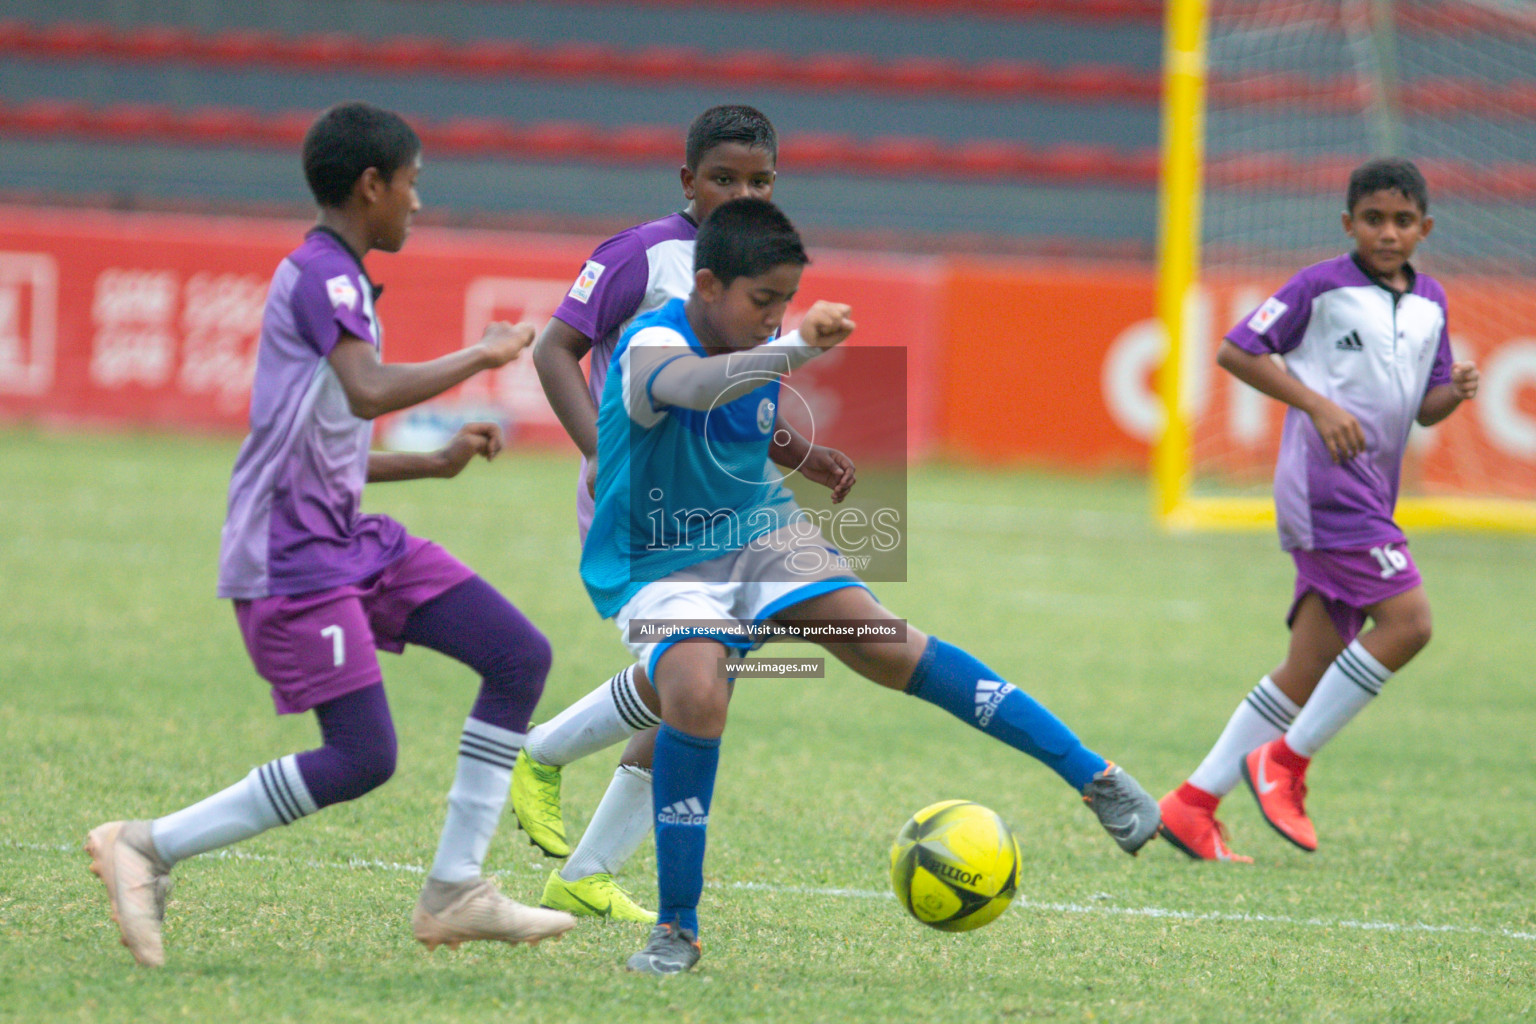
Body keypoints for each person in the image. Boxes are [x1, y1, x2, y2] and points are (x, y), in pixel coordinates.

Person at [579, 197, 1159, 974]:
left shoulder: (752, 336)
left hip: (754, 530)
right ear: (708, 284)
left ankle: (1096, 778)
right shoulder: (655, 341)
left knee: (884, 643)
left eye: (784, 302)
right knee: (696, 688)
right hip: (656, 557)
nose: (773, 316)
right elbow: (694, 388)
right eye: (761, 301)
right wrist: (794, 345)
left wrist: (804, 447)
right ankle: (677, 926)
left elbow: (740, 425)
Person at [83, 101, 576, 967]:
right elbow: (368, 390)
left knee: (517, 656)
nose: (419, 204)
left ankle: (457, 888)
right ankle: (146, 845)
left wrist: (433, 464)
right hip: (291, 556)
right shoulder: (326, 276)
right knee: (361, 756)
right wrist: (484, 354)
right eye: (413, 184)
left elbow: (326, 439)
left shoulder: (338, 278)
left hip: (347, 535)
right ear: (371, 184)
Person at [513, 105, 854, 922]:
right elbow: (554, 348)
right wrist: (598, 448)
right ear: (687, 181)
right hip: (649, 500)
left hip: (723, 504)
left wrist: (803, 457)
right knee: (700, 674)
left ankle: (584, 864)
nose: (743, 192)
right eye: (725, 178)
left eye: (760, 180)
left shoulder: (757, 262)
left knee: (702, 677)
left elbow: (733, 396)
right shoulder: (642, 256)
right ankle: (550, 766)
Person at [1157, 157, 1480, 862]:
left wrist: (1454, 391)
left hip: (1372, 491)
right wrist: (1316, 402)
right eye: (1373, 219)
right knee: (1410, 621)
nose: (1387, 232)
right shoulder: (1322, 287)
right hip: (1326, 486)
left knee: (1308, 666)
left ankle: (1191, 805)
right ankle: (1286, 764)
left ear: (1424, 228)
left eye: (1401, 221)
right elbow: (1238, 349)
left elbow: (1423, 411)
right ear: (1348, 224)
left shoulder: (1431, 303)